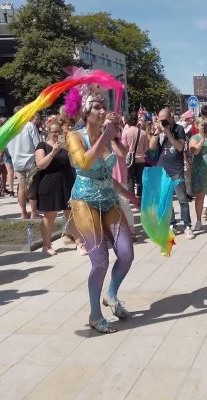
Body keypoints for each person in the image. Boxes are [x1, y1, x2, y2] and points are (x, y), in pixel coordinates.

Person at [66, 87, 138, 334]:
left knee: (127, 254)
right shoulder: (74, 136)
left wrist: (131, 197)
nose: (101, 110)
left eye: (102, 106)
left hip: (109, 199)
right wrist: (105, 137)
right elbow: (84, 163)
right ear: (85, 112)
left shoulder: (107, 137)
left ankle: (111, 294)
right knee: (100, 262)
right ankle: (95, 315)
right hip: (84, 201)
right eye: (95, 107)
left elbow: (110, 174)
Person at [150, 108, 195, 239]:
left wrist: (168, 133)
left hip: (176, 170)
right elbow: (152, 148)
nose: (162, 121)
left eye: (165, 119)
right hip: (162, 170)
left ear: (171, 118)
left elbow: (180, 147)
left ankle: (187, 226)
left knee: (182, 200)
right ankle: (172, 224)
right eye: (160, 119)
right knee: (166, 200)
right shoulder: (158, 130)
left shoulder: (179, 129)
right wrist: (156, 133)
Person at [34, 120, 75, 255]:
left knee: (71, 214)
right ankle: (46, 245)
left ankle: (80, 242)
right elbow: (40, 165)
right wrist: (53, 152)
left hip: (66, 183)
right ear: (48, 131)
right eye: (54, 132)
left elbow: (74, 164)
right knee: (49, 216)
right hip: (49, 184)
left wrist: (69, 150)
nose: (57, 135)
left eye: (59, 132)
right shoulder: (42, 145)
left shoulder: (66, 145)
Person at [6, 106, 41, 219]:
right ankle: (34, 213)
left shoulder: (9, 128)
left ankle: (23, 212)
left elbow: (7, 146)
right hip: (31, 160)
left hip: (17, 161)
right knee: (32, 187)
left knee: (21, 187)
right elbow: (38, 143)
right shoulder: (29, 125)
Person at [123, 113, 148, 199]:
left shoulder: (125, 133)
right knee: (140, 179)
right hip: (140, 159)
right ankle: (140, 196)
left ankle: (131, 197)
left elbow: (124, 148)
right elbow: (146, 148)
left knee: (130, 179)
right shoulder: (143, 133)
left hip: (129, 159)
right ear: (136, 121)